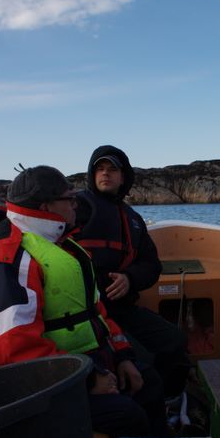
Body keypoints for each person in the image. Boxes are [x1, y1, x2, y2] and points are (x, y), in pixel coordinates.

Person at [0, 165, 166, 436]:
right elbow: (14, 350)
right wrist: (88, 380)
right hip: (37, 388)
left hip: (79, 363)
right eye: (70, 199)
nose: (76, 205)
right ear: (46, 206)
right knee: (128, 415)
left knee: (149, 382)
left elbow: (97, 313)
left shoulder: (62, 245)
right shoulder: (7, 259)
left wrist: (122, 356)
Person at [74, 145, 190, 399]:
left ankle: (167, 401)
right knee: (141, 361)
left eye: (112, 169)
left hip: (123, 309)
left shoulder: (133, 219)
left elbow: (152, 266)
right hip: (89, 314)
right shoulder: (77, 207)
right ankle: (141, 404)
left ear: (123, 177)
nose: (105, 174)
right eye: (100, 169)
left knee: (175, 341)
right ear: (92, 174)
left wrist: (130, 278)